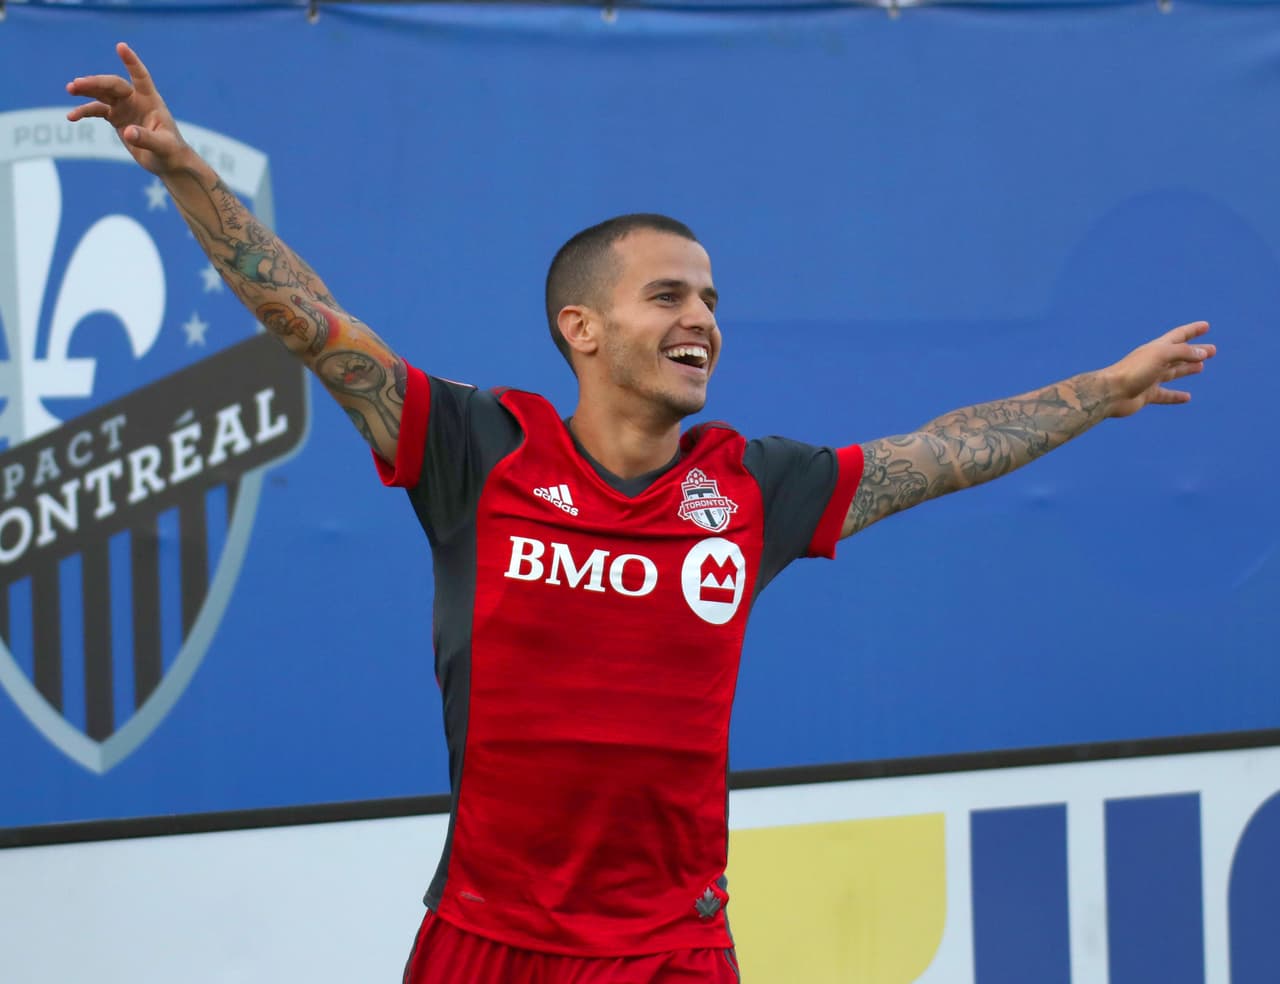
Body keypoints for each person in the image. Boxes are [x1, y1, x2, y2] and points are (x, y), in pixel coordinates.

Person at [67, 43, 1215, 984]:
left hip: (671, 951)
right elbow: (312, 321)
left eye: (711, 298)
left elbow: (939, 454)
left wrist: (1099, 395)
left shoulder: (752, 486)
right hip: (485, 941)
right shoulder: (475, 448)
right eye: (667, 293)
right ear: (581, 328)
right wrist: (185, 175)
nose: (701, 317)